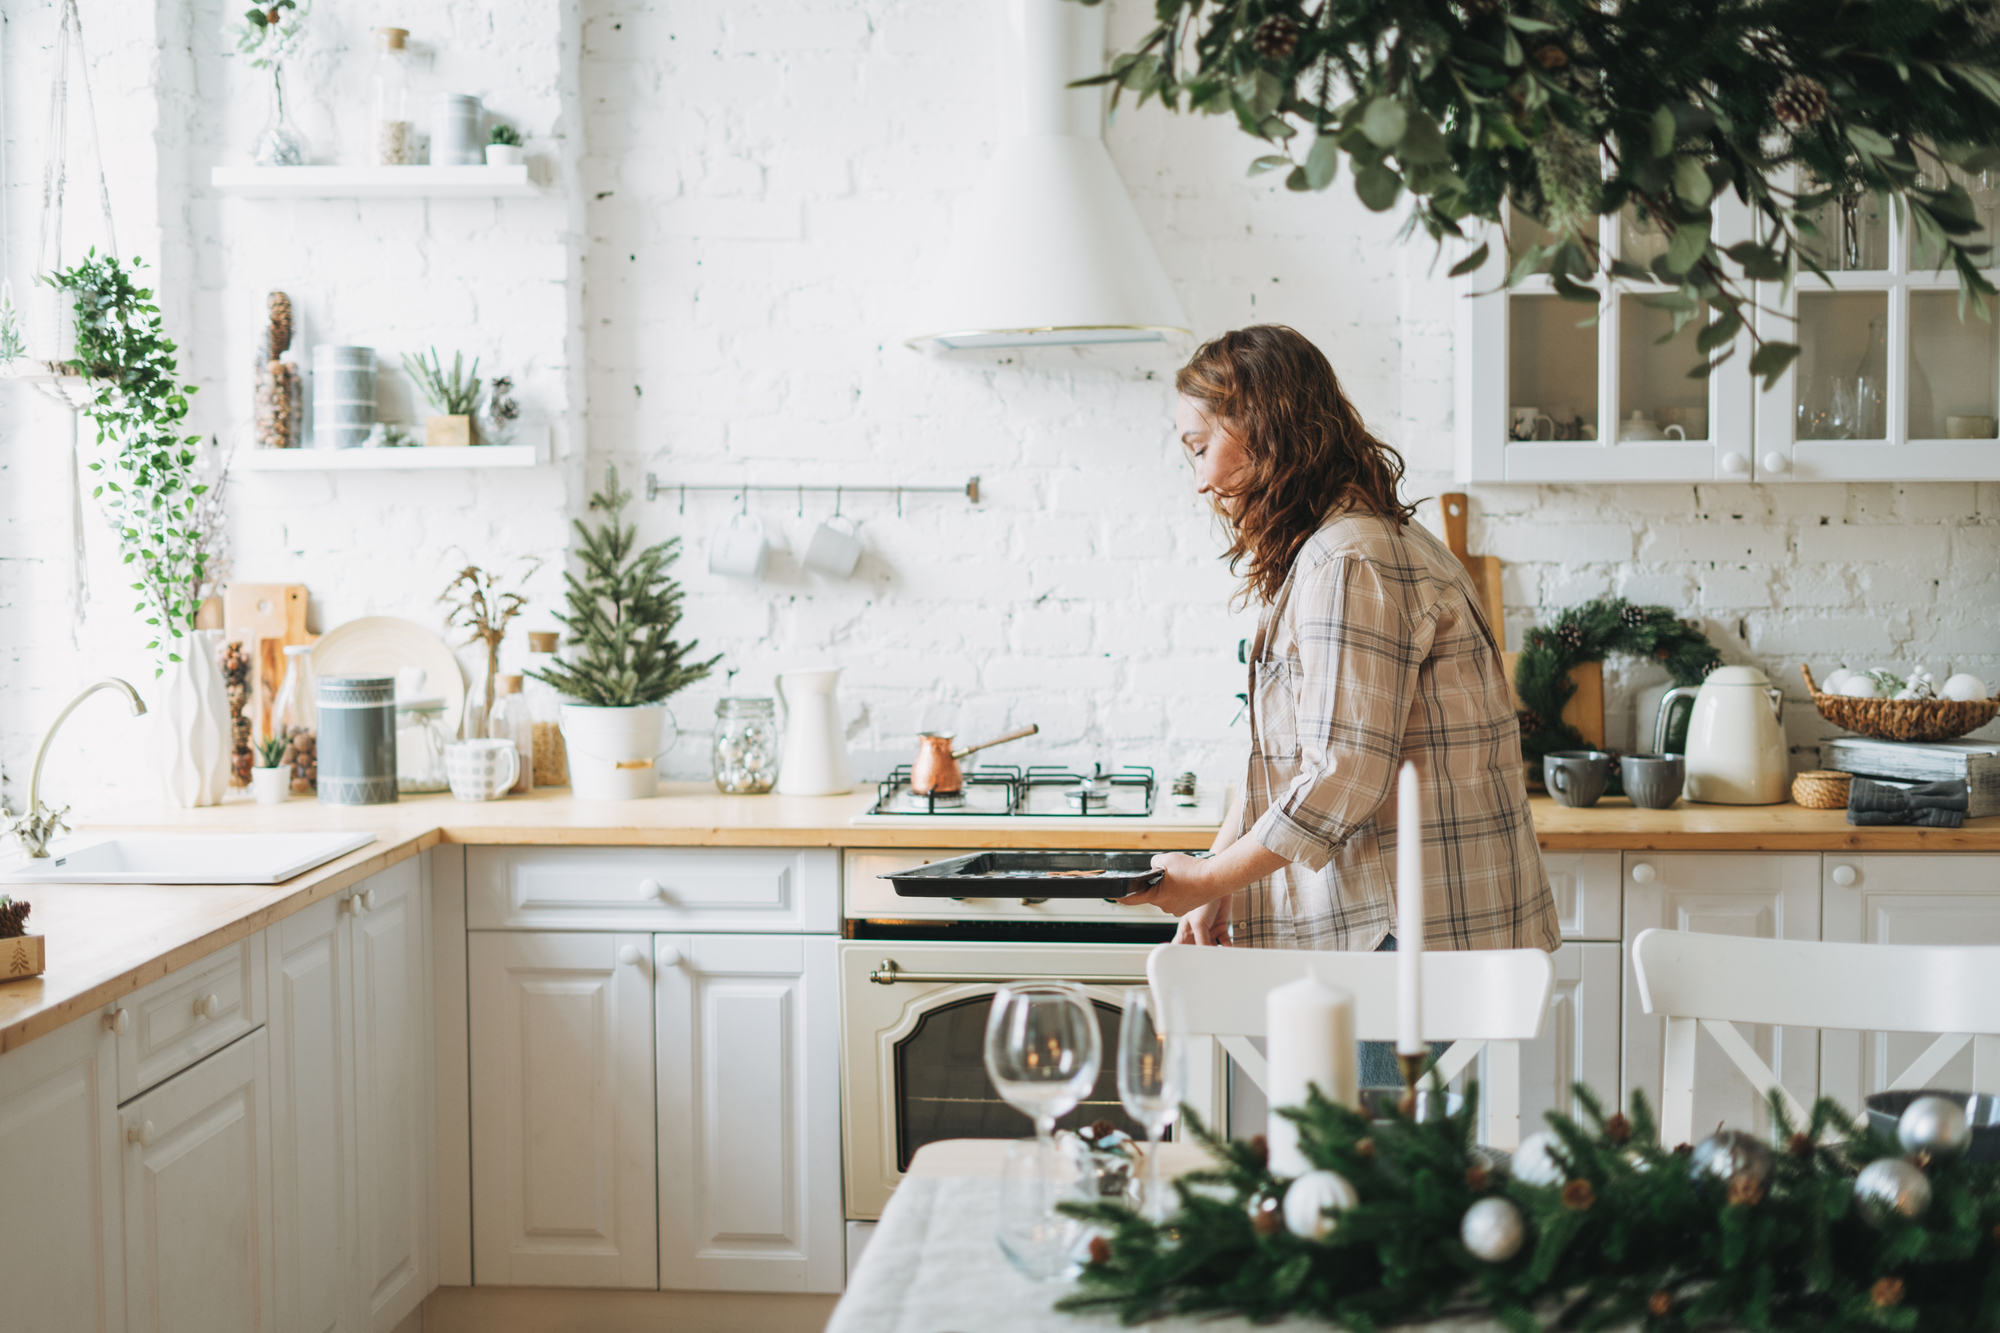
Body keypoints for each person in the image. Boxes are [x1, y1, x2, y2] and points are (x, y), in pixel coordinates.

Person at [1121, 325, 1558, 963]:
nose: (1201, 481)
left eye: (1200, 446)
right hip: (1412, 932)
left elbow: (1340, 773)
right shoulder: (1356, 545)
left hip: (1400, 940)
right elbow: (1292, 753)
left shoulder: (1348, 560)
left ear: (1265, 430)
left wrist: (1209, 879)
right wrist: (1218, 870)